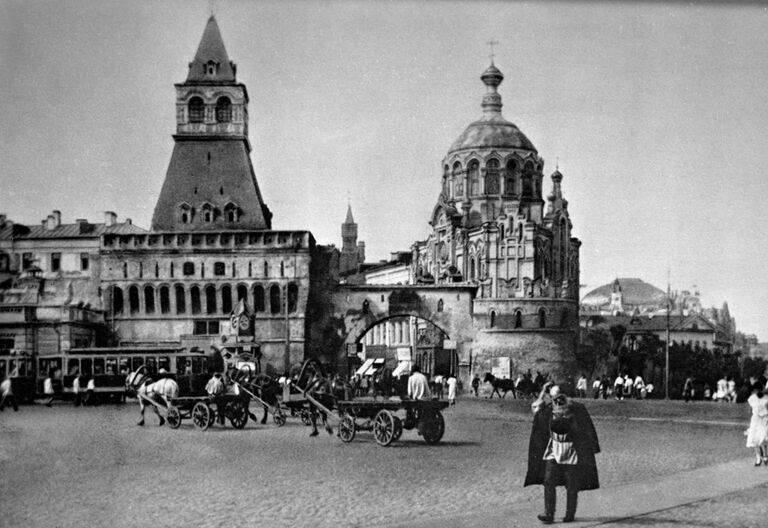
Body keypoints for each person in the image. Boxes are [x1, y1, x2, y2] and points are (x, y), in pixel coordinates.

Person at [525, 382, 600, 524]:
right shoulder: (547, 409)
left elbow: (586, 429)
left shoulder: (576, 409)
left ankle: (569, 514)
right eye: (553, 396)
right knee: (548, 480)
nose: (557, 399)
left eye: (559, 396)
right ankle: (549, 513)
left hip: (571, 450)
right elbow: (535, 408)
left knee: (571, 484)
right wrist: (542, 391)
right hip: (553, 449)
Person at [745, 382, 768, 466]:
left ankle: (765, 456)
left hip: (765, 419)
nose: (757, 392)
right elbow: (749, 411)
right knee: (754, 440)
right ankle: (758, 458)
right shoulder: (752, 398)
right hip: (755, 420)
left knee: (763, 439)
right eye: (756, 390)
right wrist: (749, 426)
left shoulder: (766, 398)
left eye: (759, 390)